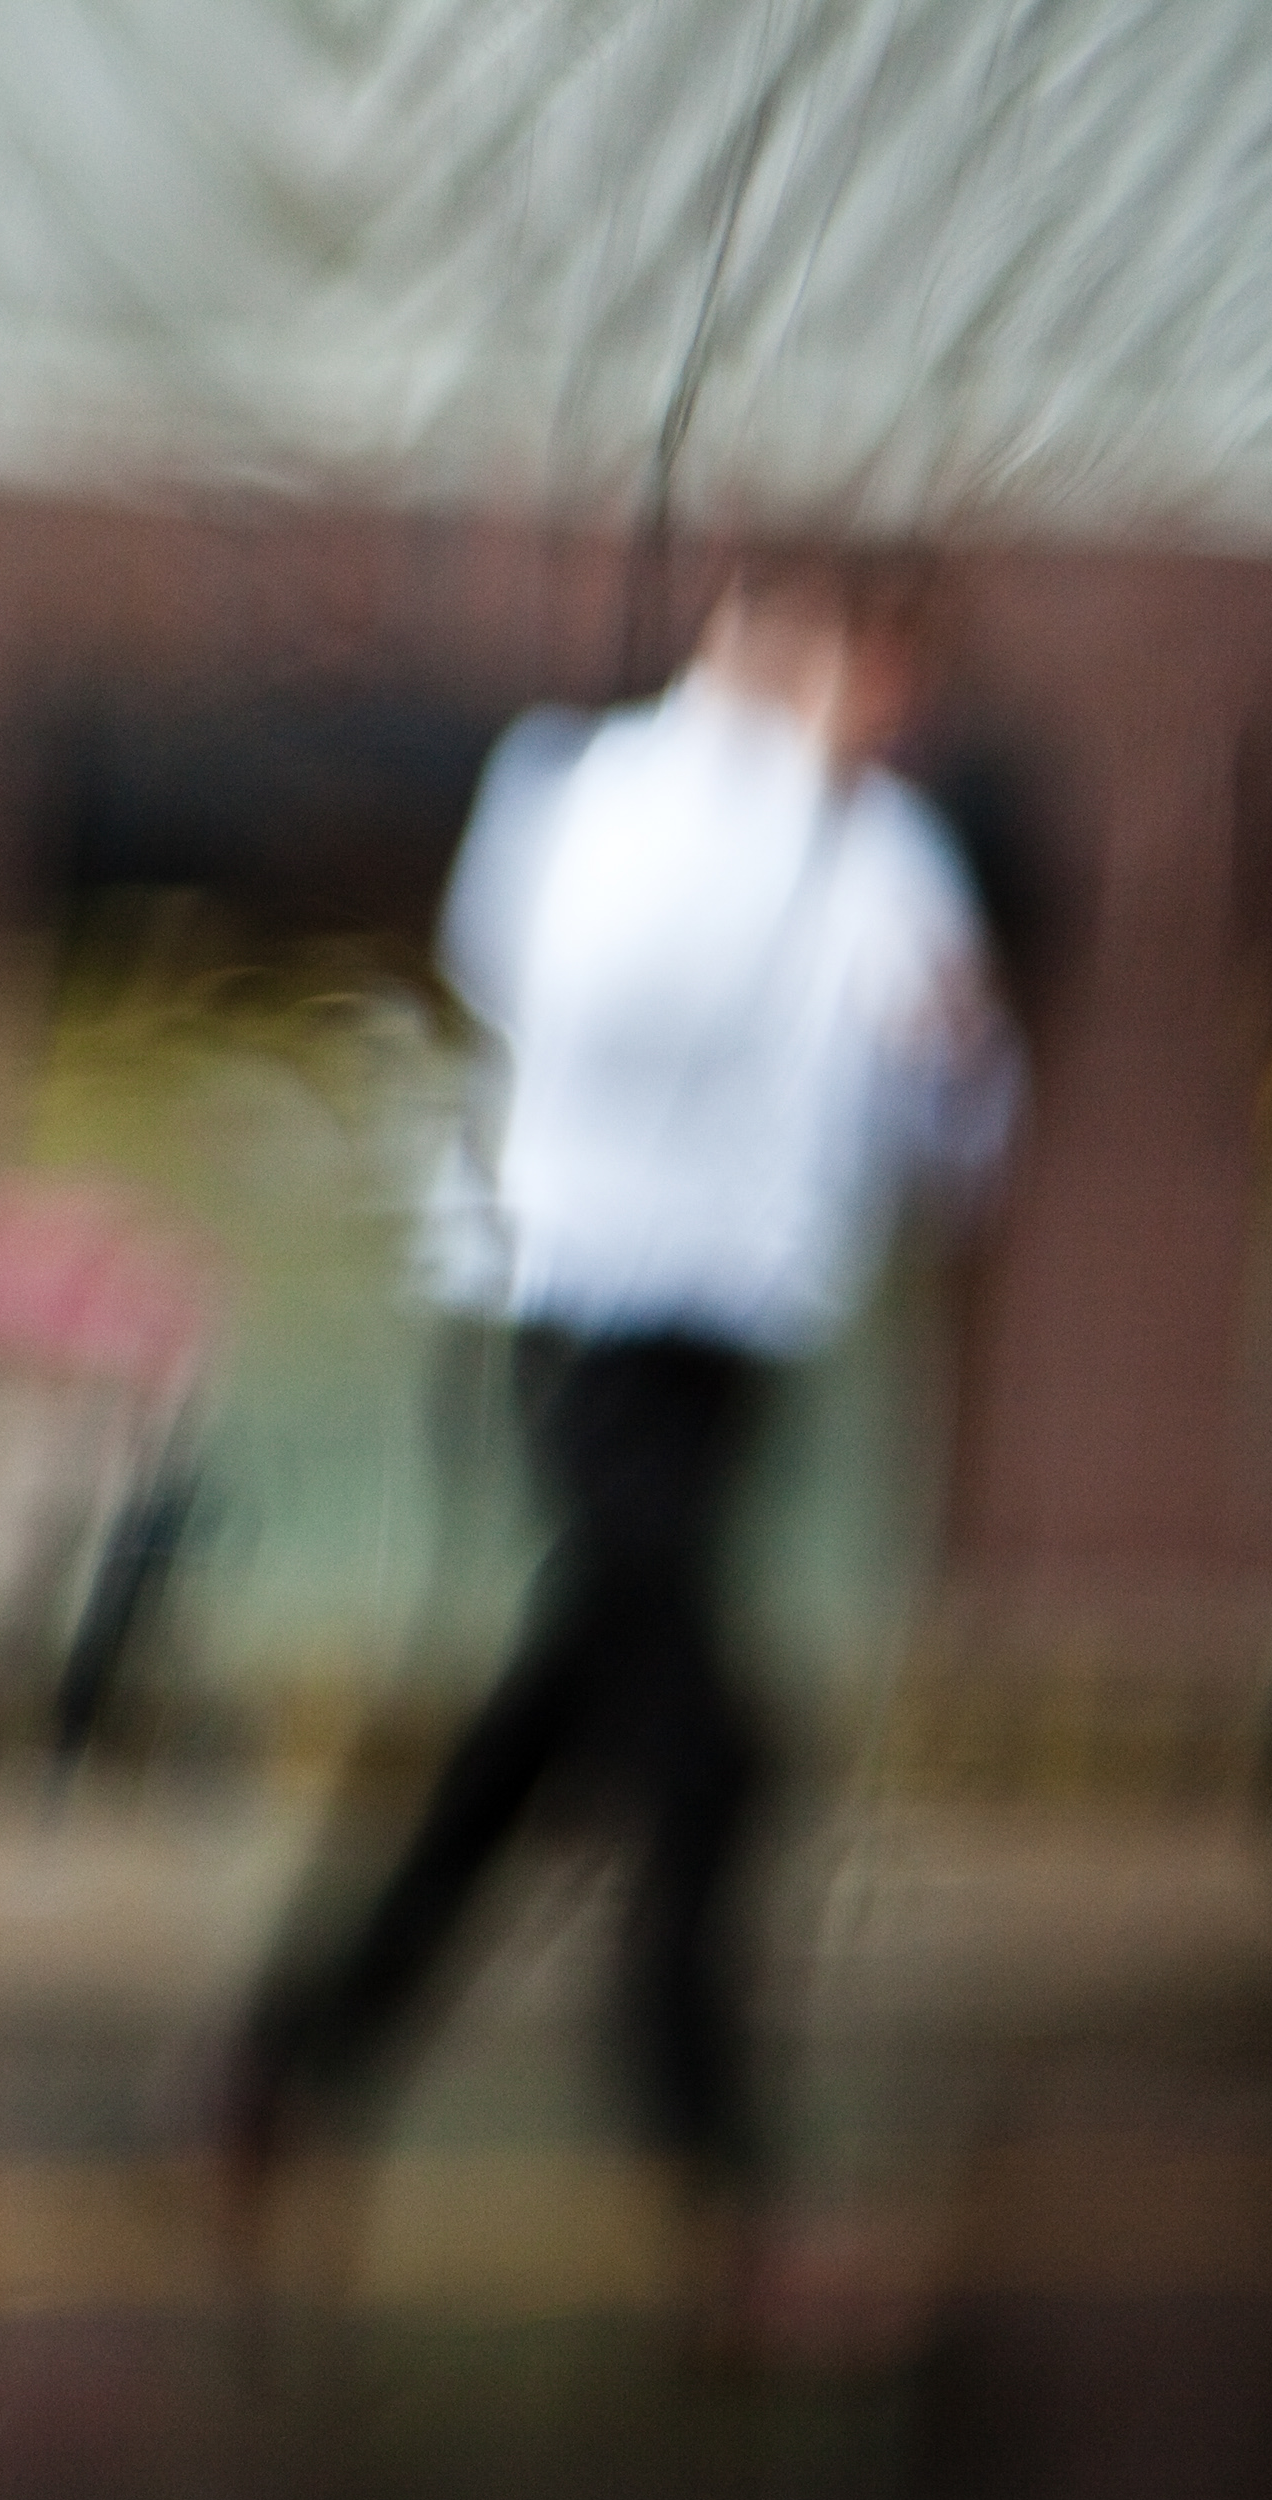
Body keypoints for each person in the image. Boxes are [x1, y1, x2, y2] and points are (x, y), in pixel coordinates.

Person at [216, 555, 1019, 2343]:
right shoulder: (596, 792)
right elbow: (578, 999)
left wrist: (955, 1055)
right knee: (708, 1758)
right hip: (582, 1310)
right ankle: (727, 2202)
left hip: (742, 1339)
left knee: (538, 1739)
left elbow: (963, 1134)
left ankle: (281, 2070)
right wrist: (775, 803)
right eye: (860, 670)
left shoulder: (886, 852)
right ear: (762, 646)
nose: (883, 717)